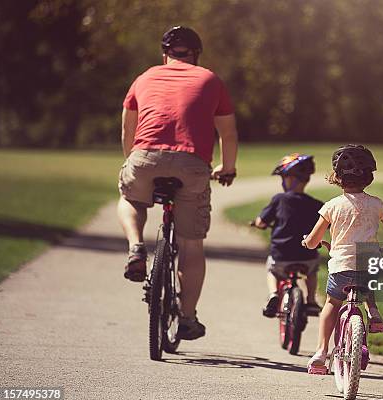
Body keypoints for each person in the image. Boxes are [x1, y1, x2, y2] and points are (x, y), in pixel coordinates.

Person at [117, 26, 238, 341]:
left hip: (145, 156)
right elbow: (227, 133)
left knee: (130, 199)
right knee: (191, 244)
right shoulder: (210, 80)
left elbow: (128, 128)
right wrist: (227, 167)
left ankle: (135, 248)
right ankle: (187, 318)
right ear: (196, 54)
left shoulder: (144, 78)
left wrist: (133, 162)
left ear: (164, 55)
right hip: (191, 164)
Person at [301, 144, 383, 374]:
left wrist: (309, 243)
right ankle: (373, 313)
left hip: (341, 268)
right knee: (367, 280)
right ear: (369, 177)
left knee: (332, 304)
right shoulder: (376, 204)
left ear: (337, 178)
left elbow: (313, 240)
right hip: (367, 265)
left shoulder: (332, 206)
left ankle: (321, 352)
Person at [253, 154, 324, 318]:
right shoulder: (315, 204)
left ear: (291, 179)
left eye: (283, 178)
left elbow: (261, 222)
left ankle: (273, 295)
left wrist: (257, 223)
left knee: (271, 269)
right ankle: (311, 301)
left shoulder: (279, 200)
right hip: (307, 256)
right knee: (312, 271)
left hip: (282, 256)